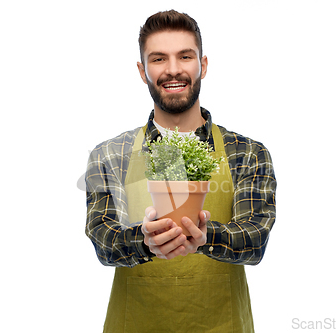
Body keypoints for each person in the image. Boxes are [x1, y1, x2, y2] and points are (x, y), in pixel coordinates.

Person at [85, 9, 276, 332]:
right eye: (158, 59)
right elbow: (104, 239)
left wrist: (204, 237)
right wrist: (145, 241)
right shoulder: (110, 155)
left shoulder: (247, 153)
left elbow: (255, 240)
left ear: (202, 65)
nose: (173, 70)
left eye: (185, 57)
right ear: (142, 71)